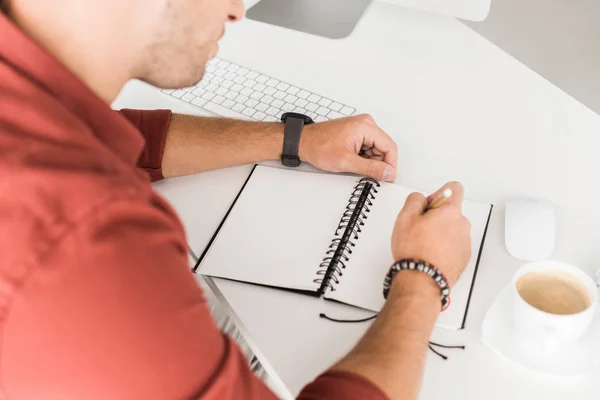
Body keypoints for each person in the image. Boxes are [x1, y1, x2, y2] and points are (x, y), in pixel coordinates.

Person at [0, 0, 471, 399]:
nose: (235, 11)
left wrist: (296, 140)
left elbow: (120, 136)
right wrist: (423, 278)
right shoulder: (76, 240)